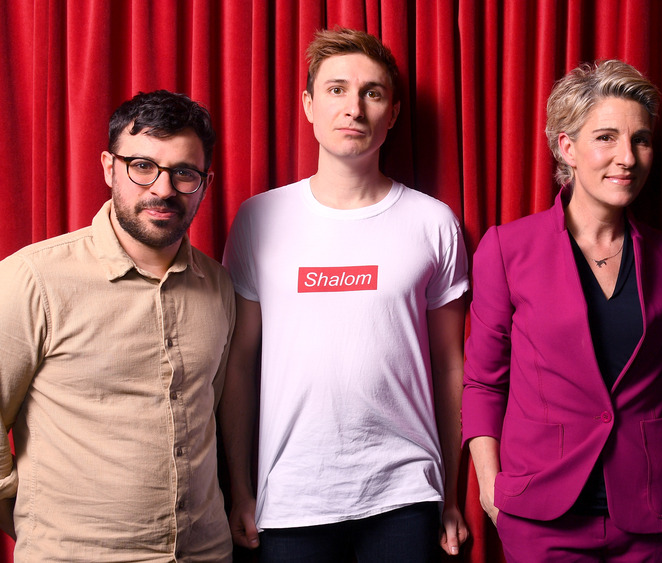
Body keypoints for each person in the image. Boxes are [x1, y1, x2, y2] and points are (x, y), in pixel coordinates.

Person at [463, 59, 662, 562]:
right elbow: (484, 381)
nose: (628, 158)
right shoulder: (508, 248)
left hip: (647, 514)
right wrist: (491, 487)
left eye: (640, 140)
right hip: (539, 516)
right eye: (607, 137)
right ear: (567, 147)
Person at [220, 27, 469, 561]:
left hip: (405, 493)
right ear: (308, 105)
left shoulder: (433, 222)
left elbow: (452, 366)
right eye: (336, 90)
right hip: (290, 497)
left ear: (393, 113)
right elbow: (240, 363)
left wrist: (451, 494)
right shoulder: (258, 219)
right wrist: (240, 489)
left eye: (371, 93)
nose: (353, 107)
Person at [0, 90, 234, 561]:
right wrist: (21, 510)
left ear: (205, 183)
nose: (163, 189)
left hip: (205, 552)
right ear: (109, 167)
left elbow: (214, 415)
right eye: (142, 166)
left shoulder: (220, 286)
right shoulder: (34, 278)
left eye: (183, 173)